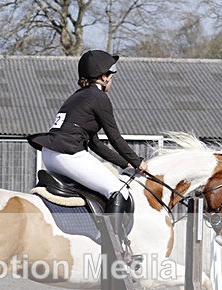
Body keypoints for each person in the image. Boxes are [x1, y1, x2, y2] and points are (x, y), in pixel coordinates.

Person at [27, 50, 147, 220]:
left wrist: (125, 163)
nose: (112, 81)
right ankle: (110, 238)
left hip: (50, 154)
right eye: (111, 76)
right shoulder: (99, 97)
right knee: (118, 190)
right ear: (104, 77)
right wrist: (137, 162)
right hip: (68, 153)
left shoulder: (77, 96)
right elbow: (115, 137)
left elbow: (94, 143)